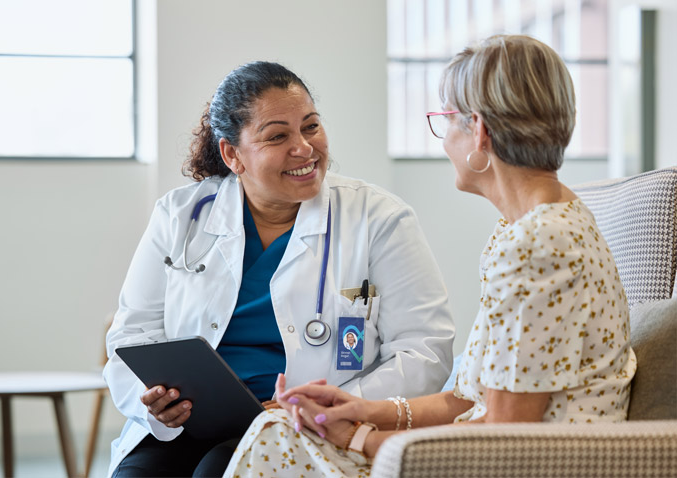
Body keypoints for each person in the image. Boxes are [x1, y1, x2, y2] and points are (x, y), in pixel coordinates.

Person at [223, 35, 638, 477]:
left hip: (526, 465)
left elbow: (507, 435)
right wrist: (363, 408)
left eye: (446, 121)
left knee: (275, 438)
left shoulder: (537, 246)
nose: (444, 142)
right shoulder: (530, 225)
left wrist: (361, 439)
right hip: (485, 445)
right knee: (279, 430)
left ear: (477, 132)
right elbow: (467, 399)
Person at [103, 61, 455, 477]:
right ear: (232, 154)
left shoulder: (378, 218)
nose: (304, 148)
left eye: (310, 127)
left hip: (306, 423)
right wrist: (154, 399)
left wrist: (338, 406)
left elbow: (424, 350)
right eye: (278, 136)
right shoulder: (180, 216)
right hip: (188, 421)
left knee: (220, 470)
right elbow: (132, 336)